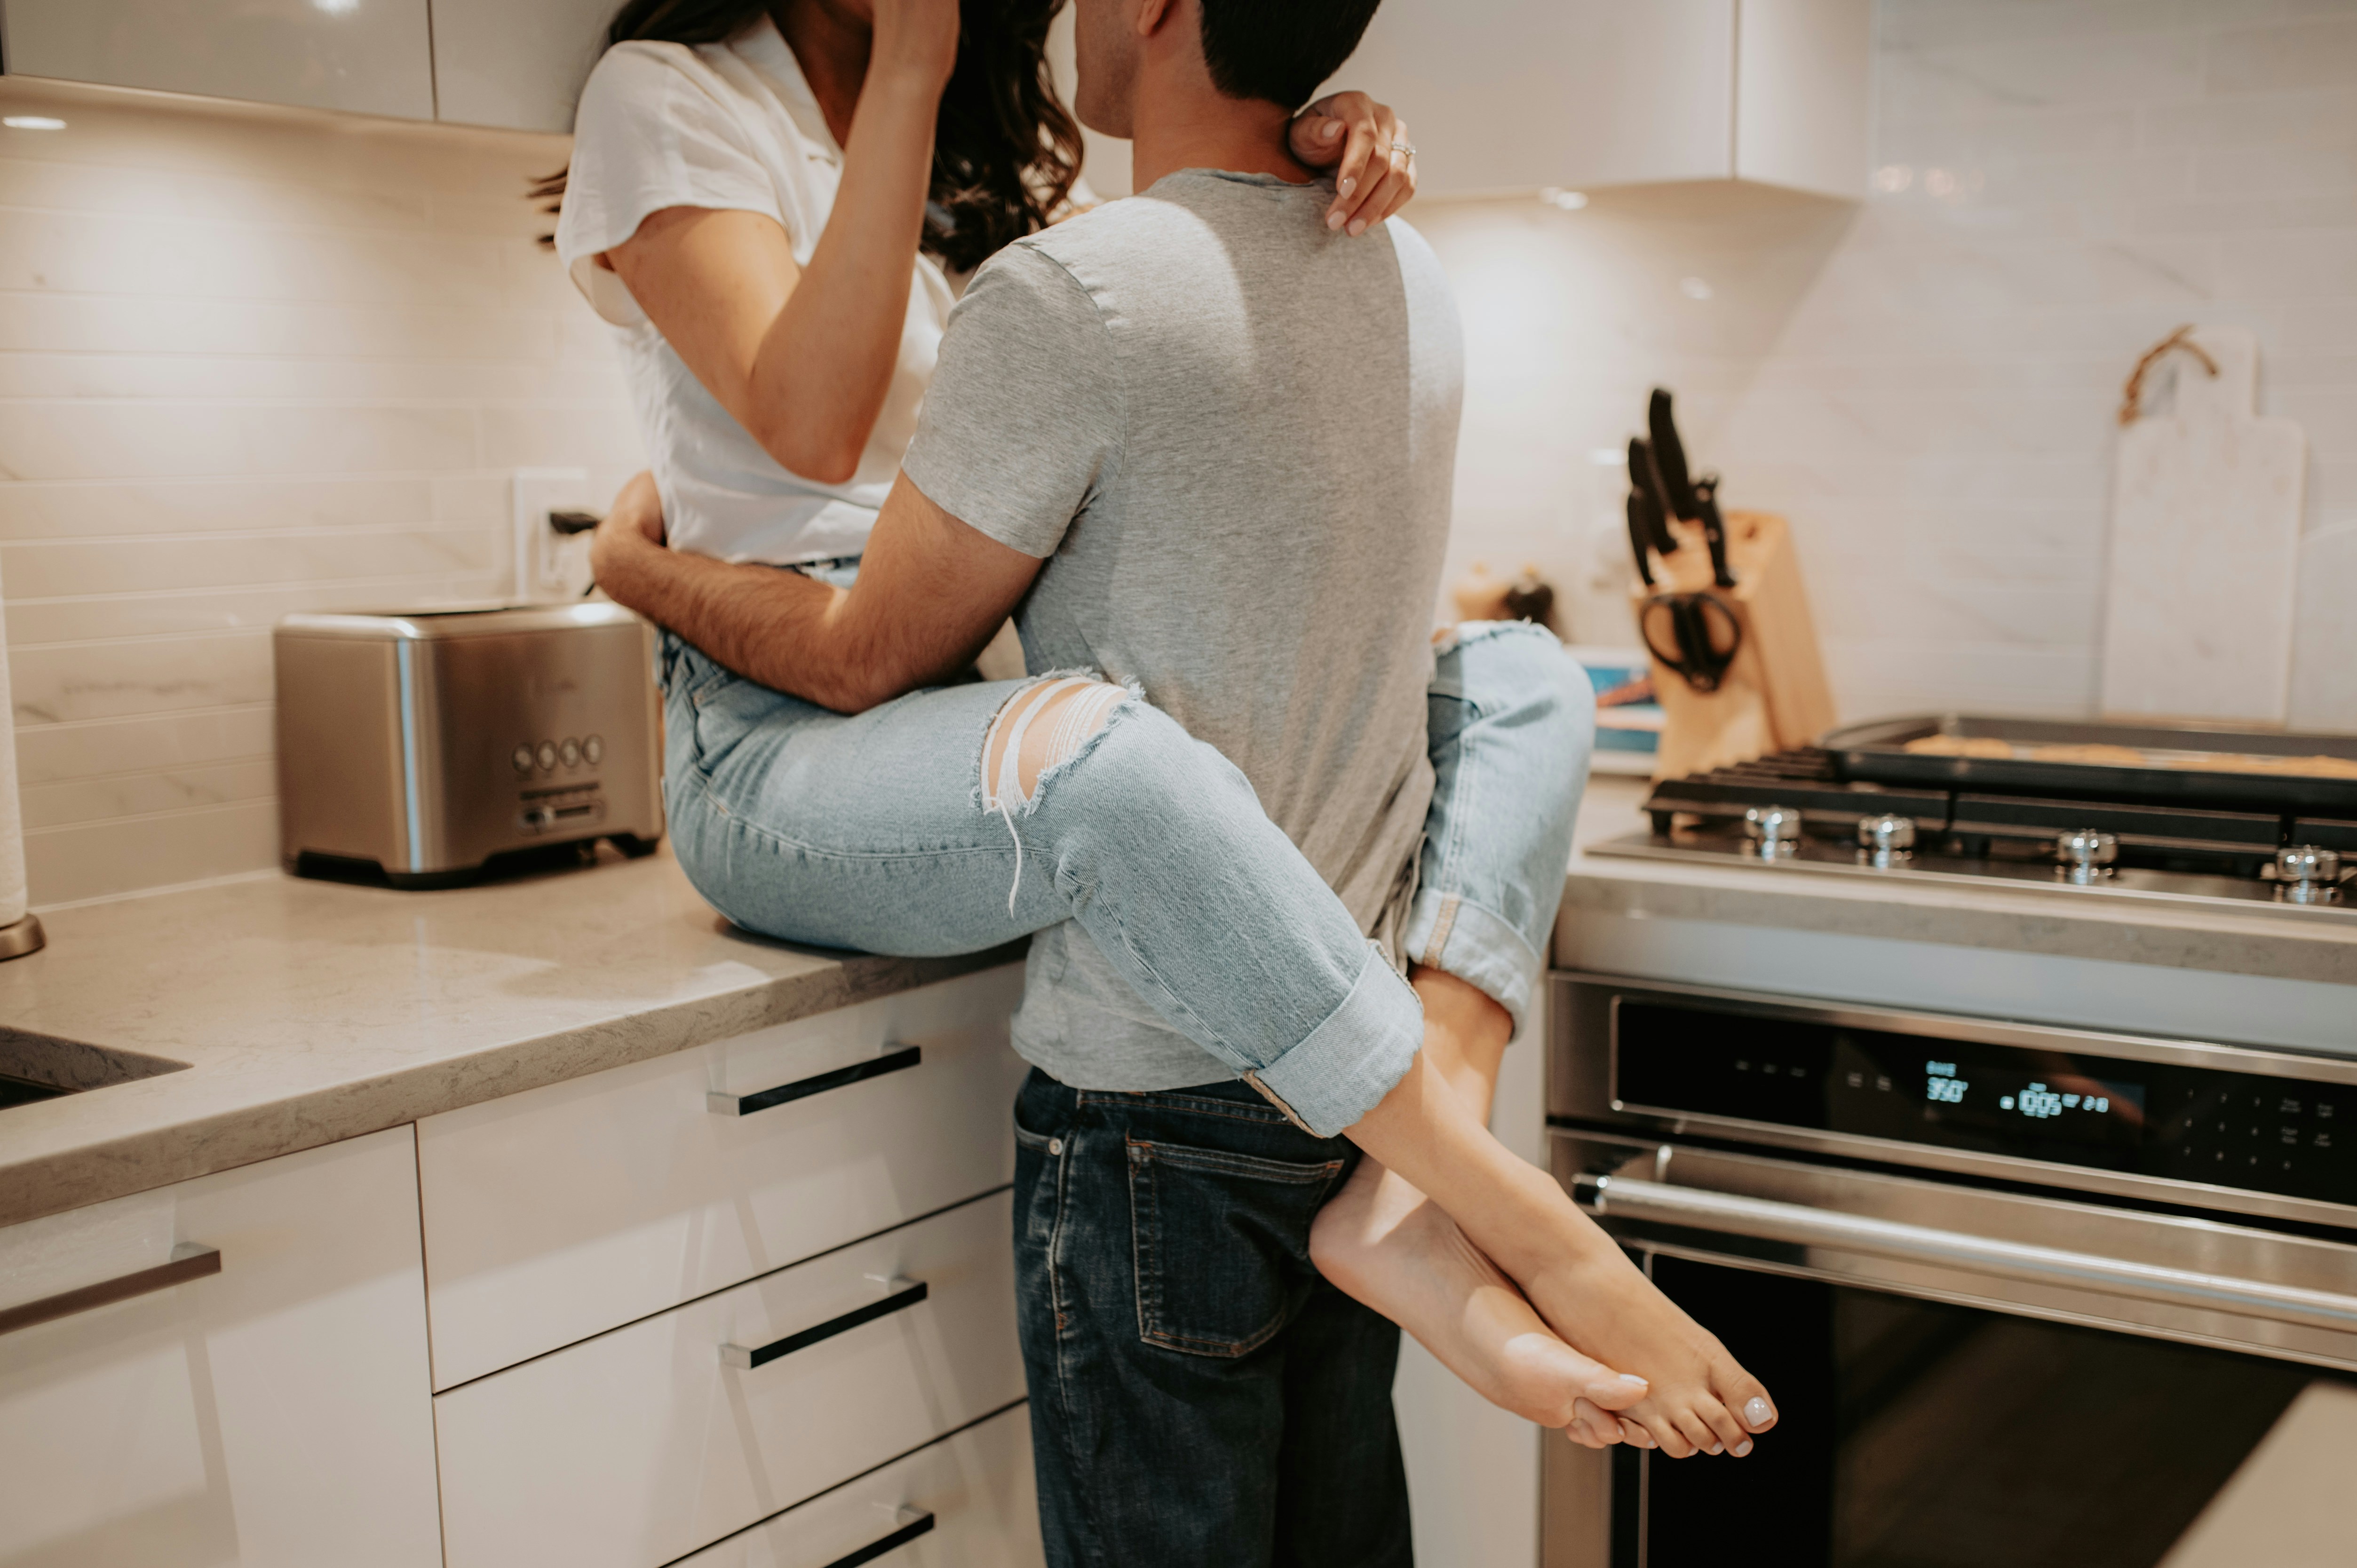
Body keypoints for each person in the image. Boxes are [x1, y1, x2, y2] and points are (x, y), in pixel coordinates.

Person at [568, 0, 1781, 1556]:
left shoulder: (1033, 176)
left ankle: (1416, 1183)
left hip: (951, 698)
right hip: (779, 723)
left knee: (1524, 677)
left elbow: (1135, 304)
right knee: (1107, 760)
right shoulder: (671, 98)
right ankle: (1499, 1203)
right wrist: (632, 573)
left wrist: (1297, 134)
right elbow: (832, 494)